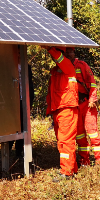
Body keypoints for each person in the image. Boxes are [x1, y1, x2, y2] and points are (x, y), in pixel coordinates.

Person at [42, 45, 80, 181]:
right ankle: (71, 167)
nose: (54, 57)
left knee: (66, 141)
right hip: (58, 110)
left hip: (67, 109)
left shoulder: (68, 66)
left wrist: (50, 48)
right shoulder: (55, 71)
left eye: (57, 55)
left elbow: (60, 58)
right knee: (61, 142)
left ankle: (67, 172)